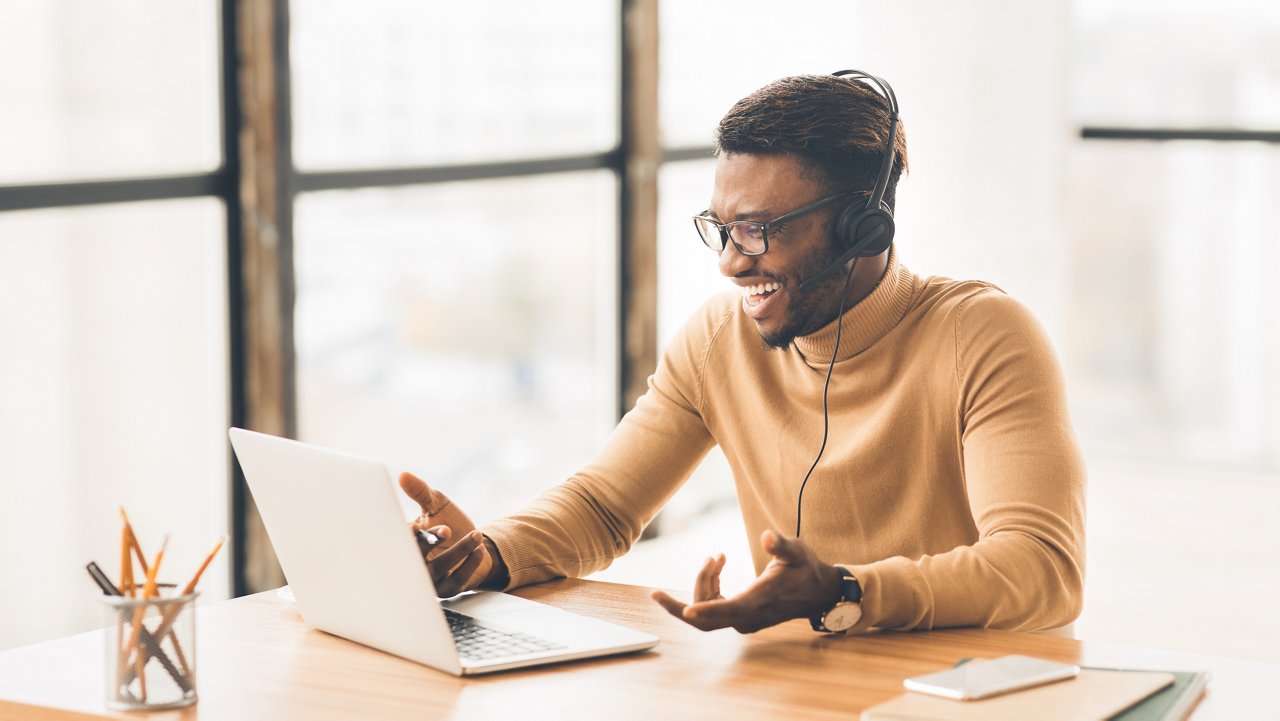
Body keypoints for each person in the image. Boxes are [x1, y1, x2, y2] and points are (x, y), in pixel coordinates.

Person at [399, 70, 1086, 636]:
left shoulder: (986, 335)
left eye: (757, 232)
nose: (730, 264)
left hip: (962, 694)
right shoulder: (718, 339)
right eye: (720, 229)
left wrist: (843, 589)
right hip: (799, 687)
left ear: (861, 227)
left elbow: (1042, 568)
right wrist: (485, 555)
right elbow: (605, 506)